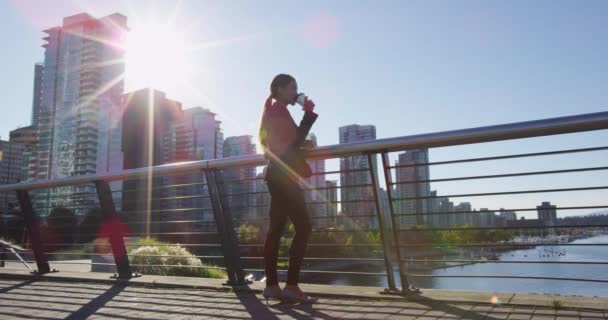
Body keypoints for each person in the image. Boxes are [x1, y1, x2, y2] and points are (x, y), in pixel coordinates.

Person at [258, 74, 318, 304]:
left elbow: (285, 142)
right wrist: (309, 114)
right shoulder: (279, 110)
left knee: (276, 230)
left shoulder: (272, 109)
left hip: (275, 174)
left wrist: (303, 143)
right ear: (280, 89)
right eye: (292, 88)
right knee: (303, 226)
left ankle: (272, 286)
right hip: (283, 176)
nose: (296, 92)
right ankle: (291, 286)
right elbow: (293, 143)